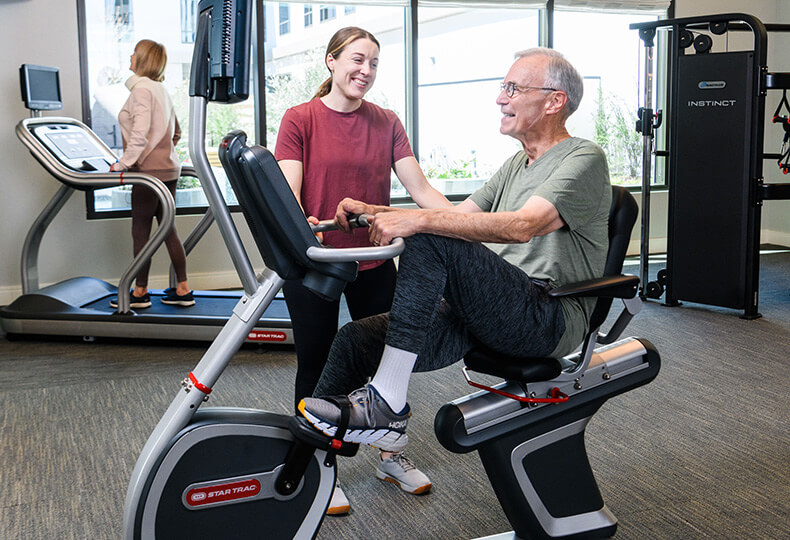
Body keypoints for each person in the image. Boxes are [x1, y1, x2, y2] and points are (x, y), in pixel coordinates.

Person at [299, 48, 611, 455]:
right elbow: (455, 216)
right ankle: (305, 465)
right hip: (489, 307)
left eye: (513, 88)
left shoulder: (584, 157)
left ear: (554, 101)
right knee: (355, 340)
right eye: (503, 88)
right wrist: (374, 211)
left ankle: (388, 403)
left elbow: (523, 226)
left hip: (546, 315)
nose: (501, 98)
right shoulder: (517, 163)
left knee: (430, 235)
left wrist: (417, 223)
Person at [274, 27, 451, 513]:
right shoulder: (300, 118)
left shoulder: (387, 121)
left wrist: (464, 224)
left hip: (375, 262)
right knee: (319, 364)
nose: (366, 71)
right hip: (318, 265)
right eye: (357, 59)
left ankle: (389, 455)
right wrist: (300, 223)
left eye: (374, 63)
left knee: (390, 362)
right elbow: (288, 193)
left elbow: (421, 189)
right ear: (331, 62)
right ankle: (319, 469)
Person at [109, 39, 193, 309]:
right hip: (168, 168)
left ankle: (140, 292)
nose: (131, 57)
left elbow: (140, 131)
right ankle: (183, 289)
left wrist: (125, 162)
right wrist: (163, 151)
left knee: (141, 231)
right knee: (168, 229)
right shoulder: (161, 90)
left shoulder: (142, 91)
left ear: (143, 60)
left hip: (148, 172)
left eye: (135, 53)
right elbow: (176, 131)